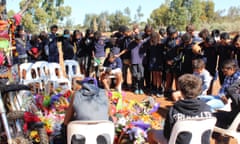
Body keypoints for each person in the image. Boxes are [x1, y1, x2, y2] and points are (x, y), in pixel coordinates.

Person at [147, 74, 212, 144]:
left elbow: (167, 134)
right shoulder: (207, 109)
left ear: (181, 91)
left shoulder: (174, 110)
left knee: (150, 133)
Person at [63, 78, 110, 144]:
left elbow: (66, 121)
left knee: (65, 127)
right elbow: (109, 114)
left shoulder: (76, 95)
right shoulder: (105, 93)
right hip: (102, 137)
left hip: (81, 137)